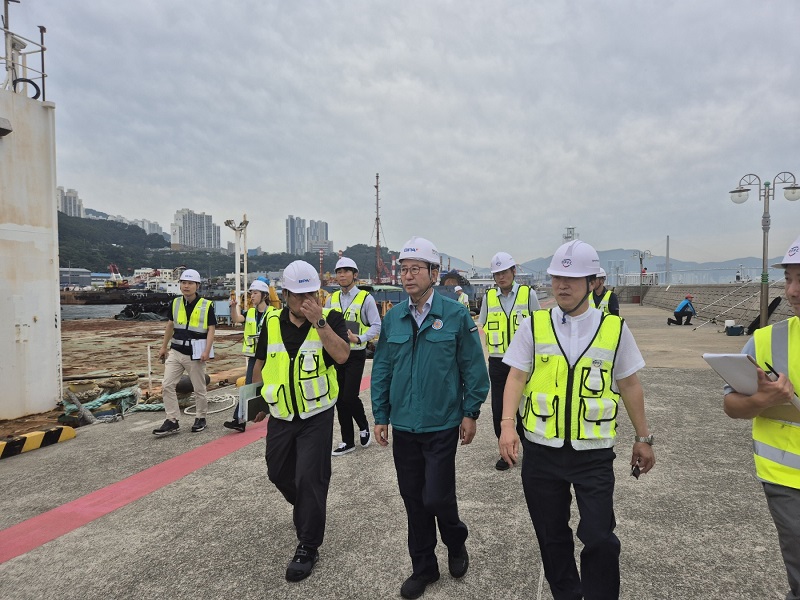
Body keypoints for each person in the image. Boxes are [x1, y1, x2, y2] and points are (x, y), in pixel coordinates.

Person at [498, 239, 655, 600]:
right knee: (551, 536)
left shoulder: (614, 328)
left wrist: (644, 438)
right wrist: (508, 425)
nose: (562, 286)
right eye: (556, 278)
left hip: (593, 455)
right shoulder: (534, 326)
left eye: (573, 279)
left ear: (593, 282)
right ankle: (567, 593)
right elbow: (516, 377)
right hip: (541, 453)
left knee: (600, 536)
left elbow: (630, 384)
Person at [371, 236, 489, 600]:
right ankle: (424, 567)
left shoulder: (454, 315)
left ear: (434, 274)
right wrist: (381, 414)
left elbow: (473, 367)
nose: (407, 276)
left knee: (437, 497)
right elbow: (383, 369)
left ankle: (456, 538)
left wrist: (471, 413)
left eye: (415, 269)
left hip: (442, 424)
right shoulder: (394, 318)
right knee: (413, 500)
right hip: (405, 426)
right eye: (403, 270)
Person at [251, 260, 350, 582]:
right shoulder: (271, 322)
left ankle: (308, 545)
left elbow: (342, 356)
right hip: (280, 413)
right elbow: (261, 361)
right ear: (284, 294)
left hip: (315, 413)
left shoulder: (329, 317)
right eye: (299, 295)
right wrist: (256, 400)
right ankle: (309, 507)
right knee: (277, 473)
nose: (306, 300)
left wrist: (318, 321)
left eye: (311, 293)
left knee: (310, 477)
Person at [723, 234, 800, 600]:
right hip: (786, 479)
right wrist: (762, 401)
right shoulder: (767, 340)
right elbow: (731, 405)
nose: (793, 291)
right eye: (789, 279)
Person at [478, 251, 541, 471]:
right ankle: (506, 454)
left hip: (524, 363)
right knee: (499, 409)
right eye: (496, 273)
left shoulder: (528, 294)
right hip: (497, 362)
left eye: (504, 272)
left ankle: (530, 451)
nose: (501, 277)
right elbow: (481, 325)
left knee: (525, 408)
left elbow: (539, 325)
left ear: (514, 271)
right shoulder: (488, 297)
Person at [325, 257, 382, 456]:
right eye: (338, 272)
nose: (341, 275)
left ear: (355, 275)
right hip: (336, 355)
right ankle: (347, 441)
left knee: (349, 396)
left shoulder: (365, 299)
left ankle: (363, 424)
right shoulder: (331, 299)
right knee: (339, 400)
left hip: (356, 354)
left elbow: (376, 325)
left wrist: (360, 338)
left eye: (346, 271)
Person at [154, 269, 216, 436]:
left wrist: (207, 350)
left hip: (195, 353)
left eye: (189, 283)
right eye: (183, 282)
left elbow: (211, 329)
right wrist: (163, 347)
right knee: (167, 385)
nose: (186, 286)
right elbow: (170, 325)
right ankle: (172, 420)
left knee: (199, 388)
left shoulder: (207, 305)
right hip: (176, 351)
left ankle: (201, 417)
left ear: (197, 285)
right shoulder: (175, 303)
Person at [223, 278, 272, 432]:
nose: (252, 296)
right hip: (254, 357)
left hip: (270, 356)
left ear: (264, 295)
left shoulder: (274, 313)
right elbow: (237, 319)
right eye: (251, 293)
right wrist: (233, 308)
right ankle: (239, 420)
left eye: (255, 293)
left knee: (271, 384)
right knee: (250, 386)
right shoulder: (250, 312)